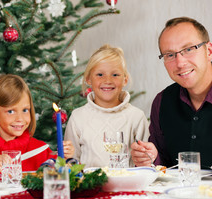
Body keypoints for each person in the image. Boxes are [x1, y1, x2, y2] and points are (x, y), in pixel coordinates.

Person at [131, 17, 212, 169]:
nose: (180, 63)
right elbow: (163, 167)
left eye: (188, 49)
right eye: (169, 55)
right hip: (176, 192)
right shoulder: (162, 101)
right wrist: (151, 158)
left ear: (209, 51)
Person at [0, 74, 75, 179]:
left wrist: (64, 159)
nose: (20, 118)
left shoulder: (40, 150)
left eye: (25, 110)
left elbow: (62, 179)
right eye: (11, 111)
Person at [64, 44, 149, 168]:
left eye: (115, 75)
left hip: (125, 185)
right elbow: (71, 161)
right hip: (90, 185)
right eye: (100, 74)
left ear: (125, 80)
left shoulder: (136, 117)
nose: (107, 80)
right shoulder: (78, 117)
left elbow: (145, 161)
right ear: (88, 79)